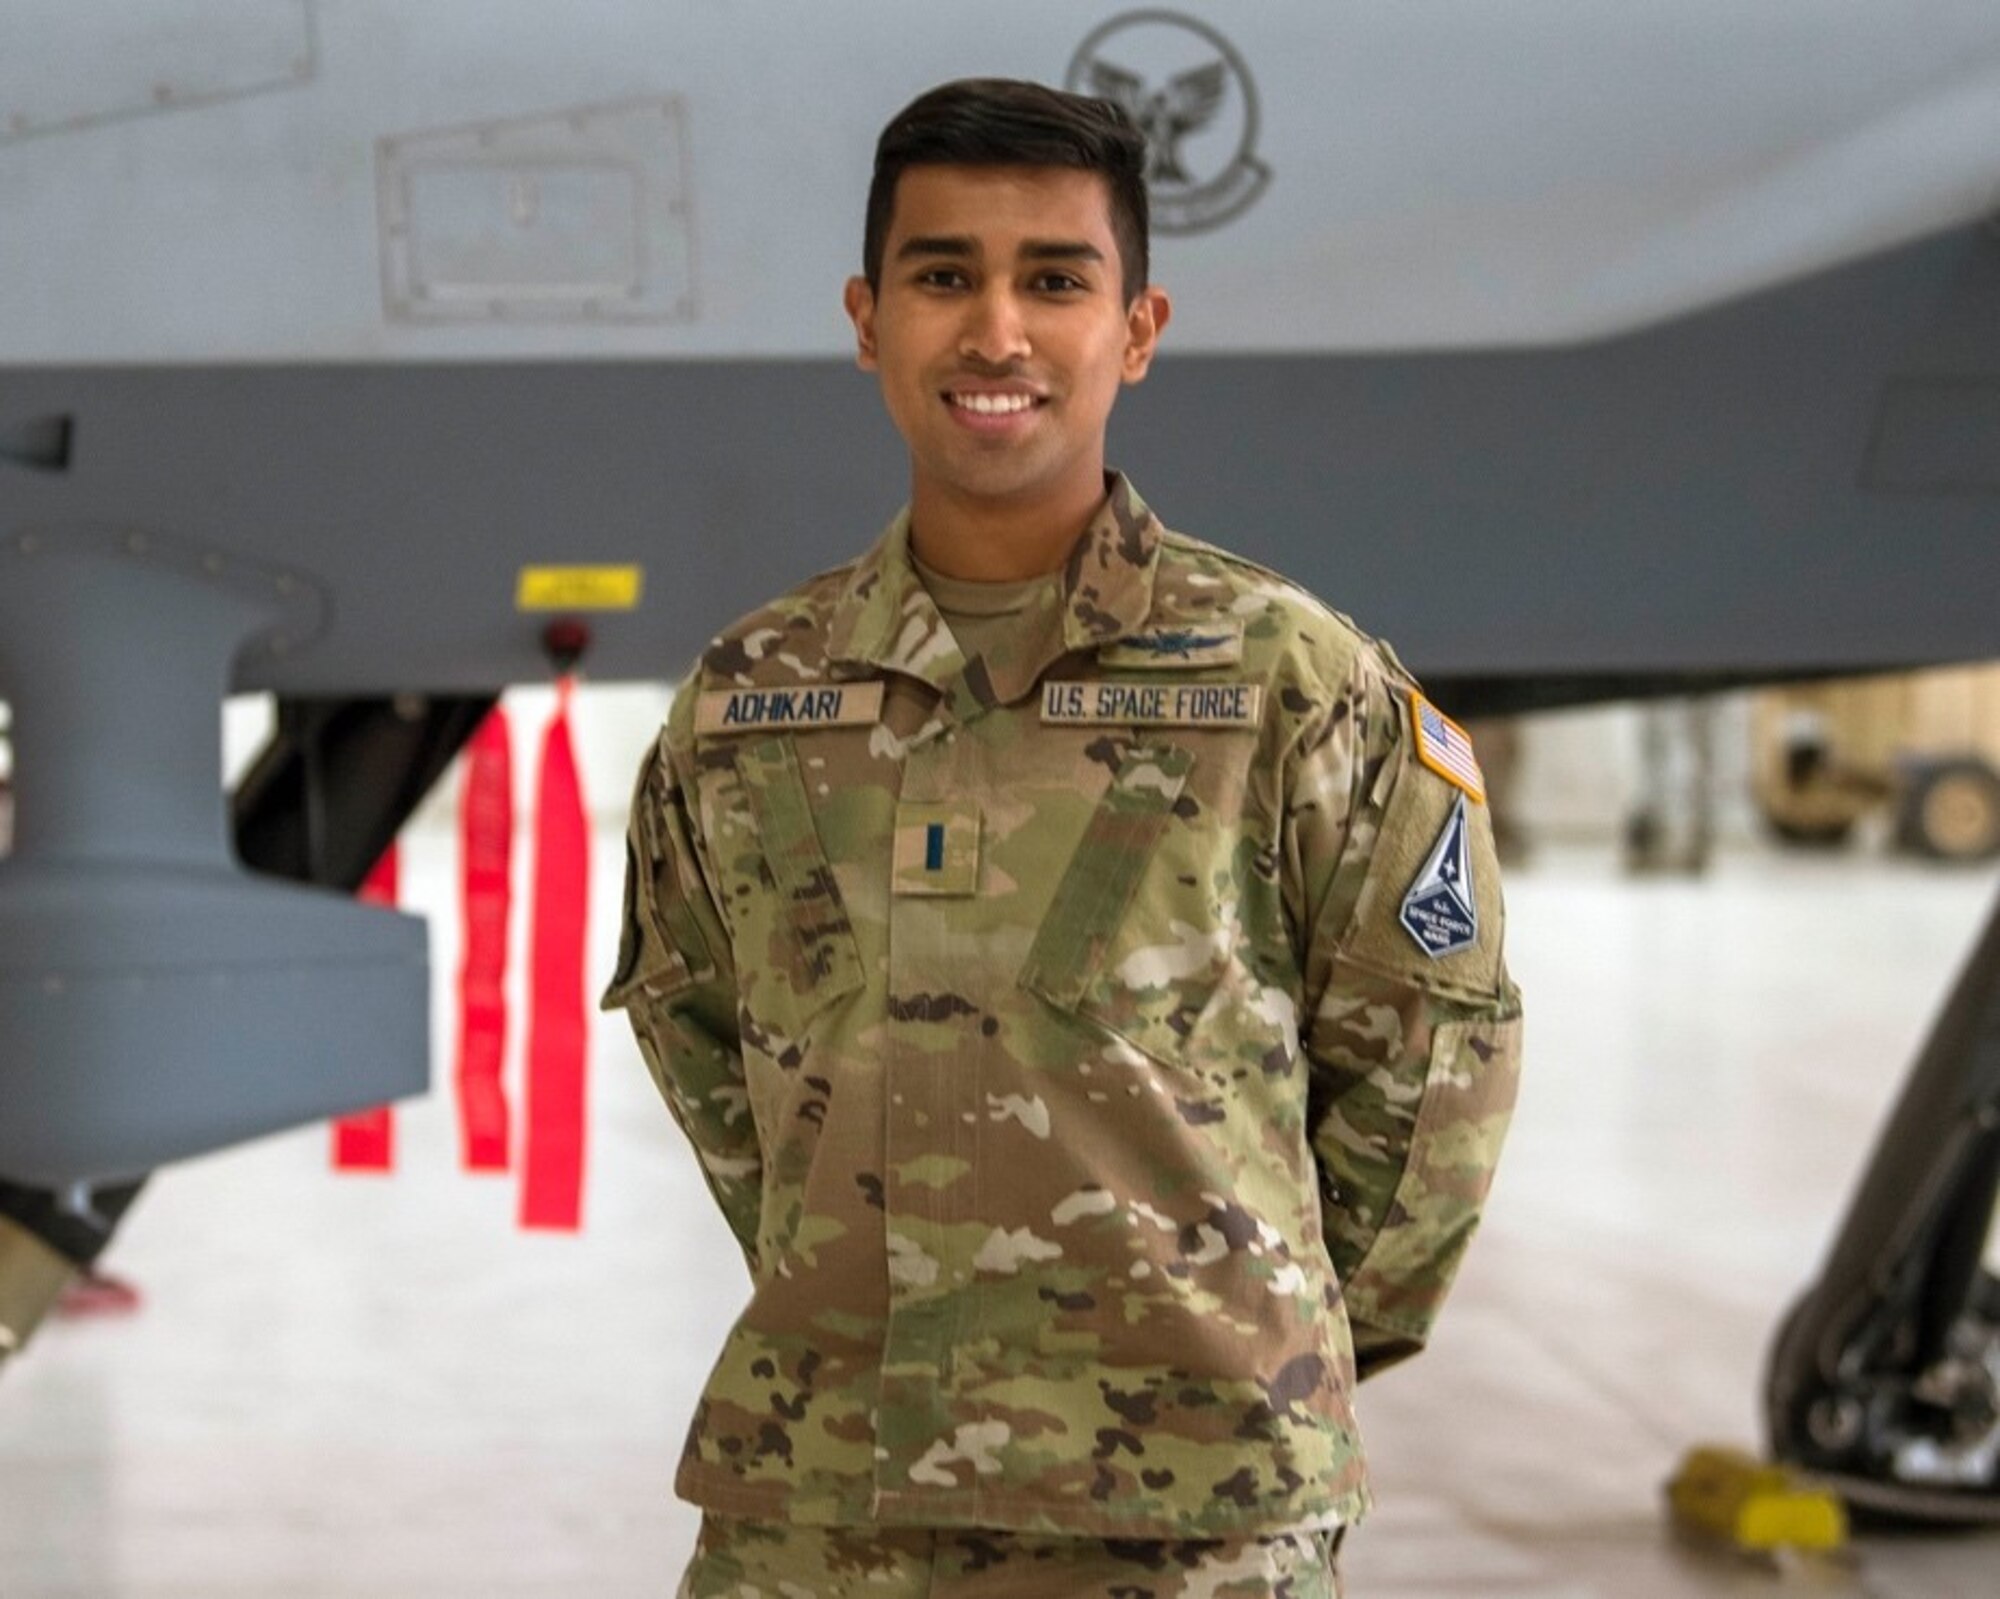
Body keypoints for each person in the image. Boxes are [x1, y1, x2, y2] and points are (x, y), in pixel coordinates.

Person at [605, 77, 1523, 1599]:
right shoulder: (751, 701)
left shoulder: (1292, 685)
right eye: (943, 275)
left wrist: (1246, 1347)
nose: (997, 333)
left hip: (1196, 1522)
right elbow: (715, 1058)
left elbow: (1433, 1075)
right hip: (827, 1519)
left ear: (1139, 329)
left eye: (1054, 280)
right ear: (866, 317)